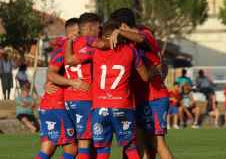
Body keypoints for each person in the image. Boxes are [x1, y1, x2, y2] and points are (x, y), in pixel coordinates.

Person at [110, 8, 174, 159]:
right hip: (139, 100)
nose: (114, 31)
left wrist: (119, 33)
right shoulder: (128, 43)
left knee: (157, 142)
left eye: (116, 27)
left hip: (155, 97)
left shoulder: (145, 33)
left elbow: (141, 39)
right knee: (143, 144)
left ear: (123, 26)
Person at [91, 21, 149, 159]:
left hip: (100, 106)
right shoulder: (131, 51)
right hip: (122, 105)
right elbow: (145, 78)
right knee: (130, 146)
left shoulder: (95, 51)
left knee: (102, 149)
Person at [35, 18, 88, 159]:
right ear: (71, 33)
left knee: (47, 148)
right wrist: (73, 83)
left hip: (50, 105)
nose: (83, 34)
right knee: (71, 149)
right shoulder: (61, 51)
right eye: (80, 31)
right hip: (56, 106)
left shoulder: (73, 49)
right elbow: (51, 74)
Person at [63, 13, 101, 159]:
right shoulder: (88, 43)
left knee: (76, 146)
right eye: (99, 26)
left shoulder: (65, 44)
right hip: (83, 98)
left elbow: (53, 70)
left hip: (68, 99)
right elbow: (70, 61)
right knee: (85, 144)